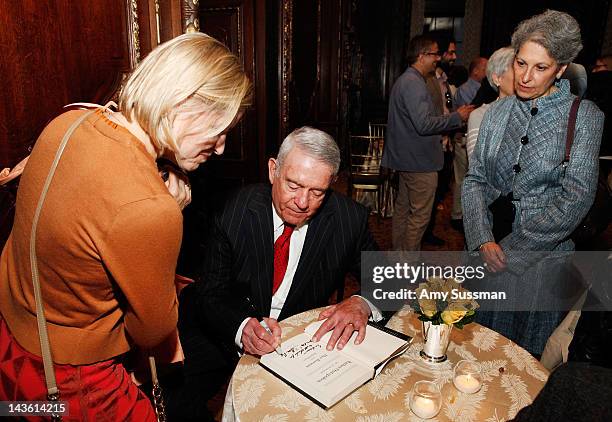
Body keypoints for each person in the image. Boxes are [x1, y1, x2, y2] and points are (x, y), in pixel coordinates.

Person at [0, 32, 251, 420]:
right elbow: (153, 333)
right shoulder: (150, 210)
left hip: (14, 344)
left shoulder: (69, 120)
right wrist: (166, 208)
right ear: (183, 105)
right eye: (220, 129)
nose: (220, 147)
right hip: (73, 379)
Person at [173, 127, 383, 421]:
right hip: (223, 329)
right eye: (294, 185)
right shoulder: (232, 210)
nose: (302, 202)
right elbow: (211, 293)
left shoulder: (349, 220)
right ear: (274, 170)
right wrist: (241, 327)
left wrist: (361, 302)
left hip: (296, 342)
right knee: (178, 402)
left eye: (317, 192)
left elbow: (391, 279)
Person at [462, 10, 604, 356]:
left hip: (543, 260)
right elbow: (475, 179)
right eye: (521, 63)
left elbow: (576, 198)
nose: (525, 77)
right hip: (488, 249)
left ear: (560, 68)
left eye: (540, 68)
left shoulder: (585, 117)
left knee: (521, 359)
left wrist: (511, 252)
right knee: (476, 350)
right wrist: (482, 239)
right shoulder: (496, 113)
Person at [383, 34, 473, 252]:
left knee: (404, 211)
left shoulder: (407, 80)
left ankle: (399, 260)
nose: (438, 58)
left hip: (408, 160)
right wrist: (456, 117)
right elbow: (423, 125)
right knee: (419, 217)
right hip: (419, 162)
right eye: (434, 54)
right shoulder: (414, 83)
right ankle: (406, 265)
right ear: (422, 55)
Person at [450, 56, 488, 231]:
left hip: (470, 136)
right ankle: (457, 215)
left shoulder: (483, 88)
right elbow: (470, 112)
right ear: (476, 71)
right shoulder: (466, 89)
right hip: (463, 137)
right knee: (461, 178)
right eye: (485, 68)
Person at [466, 47, 515, 161]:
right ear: (497, 78)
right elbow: (477, 166)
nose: (524, 76)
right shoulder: (481, 115)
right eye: (516, 69)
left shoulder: (534, 111)